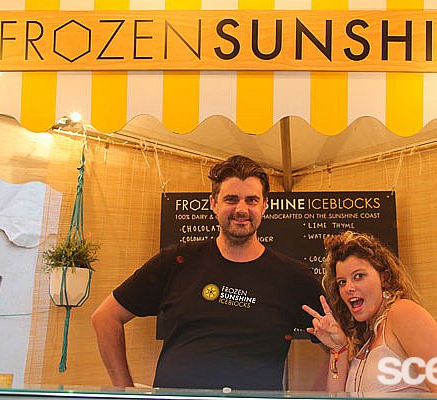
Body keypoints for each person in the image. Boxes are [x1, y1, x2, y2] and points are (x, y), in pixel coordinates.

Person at [92, 155, 323, 390]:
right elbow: (105, 317)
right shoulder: (176, 262)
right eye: (231, 199)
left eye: (251, 200)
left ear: (264, 205)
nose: (241, 209)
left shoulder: (294, 277)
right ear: (213, 204)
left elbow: (337, 339)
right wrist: (124, 391)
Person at [303, 231, 437, 393]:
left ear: (385, 278)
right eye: (342, 282)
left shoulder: (403, 311)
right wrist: (338, 350)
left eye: (358, 276)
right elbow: (336, 396)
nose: (348, 288)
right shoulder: (366, 338)